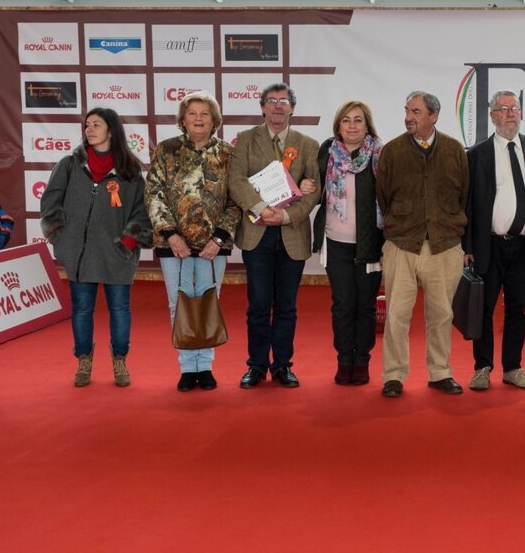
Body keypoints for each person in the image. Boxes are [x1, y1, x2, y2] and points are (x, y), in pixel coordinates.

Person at [40, 107, 152, 388]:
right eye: (87, 125)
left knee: (120, 309)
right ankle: (84, 359)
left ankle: (120, 359)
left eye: (96, 125)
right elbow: (50, 201)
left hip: (117, 253)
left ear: (111, 131)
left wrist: (128, 243)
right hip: (79, 253)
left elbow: (142, 211)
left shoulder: (131, 171)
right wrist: (60, 237)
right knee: (81, 309)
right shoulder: (69, 164)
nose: (89, 129)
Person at [226, 83, 322, 389]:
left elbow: (314, 188)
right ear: (262, 107)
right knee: (258, 305)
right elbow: (236, 180)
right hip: (257, 233)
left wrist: (286, 216)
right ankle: (256, 366)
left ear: (292, 108)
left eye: (283, 101)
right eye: (271, 100)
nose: (278, 106)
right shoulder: (245, 139)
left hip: (292, 233)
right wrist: (262, 208)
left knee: (287, 307)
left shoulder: (308, 144)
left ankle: (282, 365)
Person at [374, 91, 470, 397]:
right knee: (396, 314)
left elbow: (464, 195)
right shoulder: (391, 151)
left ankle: (440, 372)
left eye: (416, 112)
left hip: (444, 245)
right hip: (401, 244)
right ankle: (394, 375)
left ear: (434, 116)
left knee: (441, 314)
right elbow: (383, 196)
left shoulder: (455, 150)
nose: (408, 117)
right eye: (407, 111)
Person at [146, 92, 241, 392]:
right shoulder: (166, 150)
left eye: (205, 113)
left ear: (214, 120)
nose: (198, 119)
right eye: (192, 113)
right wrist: (171, 235)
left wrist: (219, 238)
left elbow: (237, 200)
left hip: (214, 246)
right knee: (180, 303)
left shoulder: (228, 153)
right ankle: (188, 367)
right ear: (183, 120)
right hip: (173, 244)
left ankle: (206, 366)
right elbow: (153, 193)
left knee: (209, 302)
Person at [462, 91, 525, 391]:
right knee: (483, 309)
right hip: (487, 245)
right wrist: (467, 247)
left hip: (522, 244)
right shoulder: (476, 155)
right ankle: (482, 367)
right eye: (503, 108)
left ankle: (513, 367)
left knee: (516, 308)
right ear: (492, 116)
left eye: (515, 108)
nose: (510, 113)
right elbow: (467, 205)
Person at [302, 100, 385, 387]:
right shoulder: (328, 150)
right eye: (346, 120)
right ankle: (344, 359)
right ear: (338, 125)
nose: (352, 125)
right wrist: (306, 186)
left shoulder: (380, 153)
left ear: (367, 124)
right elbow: (313, 186)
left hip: (370, 244)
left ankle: (361, 360)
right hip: (335, 242)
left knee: (365, 305)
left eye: (358, 120)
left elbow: (389, 196)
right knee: (343, 304)